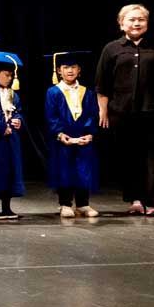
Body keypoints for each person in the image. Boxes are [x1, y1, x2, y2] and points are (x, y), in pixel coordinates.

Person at [96, 5, 154, 217]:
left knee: (153, 157)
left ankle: (152, 201)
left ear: (147, 23)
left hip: (153, 110)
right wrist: (103, 111)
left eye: (141, 19)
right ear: (121, 23)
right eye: (132, 20)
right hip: (121, 112)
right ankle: (135, 199)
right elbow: (102, 83)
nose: (136, 23)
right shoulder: (111, 49)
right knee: (128, 156)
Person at [45, 51, 100, 219]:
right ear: (59, 71)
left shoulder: (87, 92)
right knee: (65, 171)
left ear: (79, 70)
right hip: (63, 139)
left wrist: (89, 134)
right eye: (66, 67)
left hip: (83, 139)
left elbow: (92, 114)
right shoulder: (53, 92)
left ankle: (83, 204)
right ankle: (65, 204)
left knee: (84, 171)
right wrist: (60, 134)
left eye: (73, 67)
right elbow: (51, 116)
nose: (70, 70)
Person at [0, 51, 25, 220]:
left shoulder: (12, 94)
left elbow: (19, 111)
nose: (10, 79)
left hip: (10, 140)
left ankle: (6, 207)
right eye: (7, 75)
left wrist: (17, 120)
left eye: (11, 75)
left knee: (9, 171)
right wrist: (0, 127)